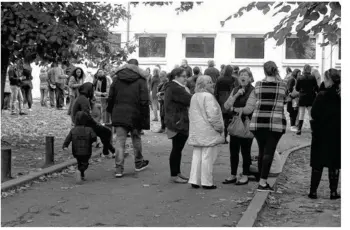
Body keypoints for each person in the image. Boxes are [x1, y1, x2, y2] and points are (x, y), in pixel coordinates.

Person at [107, 59, 150, 178]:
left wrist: (111, 111)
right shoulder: (141, 81)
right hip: (136, 114)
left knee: (120, 141)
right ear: (137, 67)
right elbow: (144, 100)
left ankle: (119, 169)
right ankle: (138, 162)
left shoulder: (116, 79)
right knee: (136, 138)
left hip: (119, 112)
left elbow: (110, 97)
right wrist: (144, 117)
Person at [250, 61, 288, 192]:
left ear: (264, 71)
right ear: (276, 70)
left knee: (261, 151)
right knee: (269, 151)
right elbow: (286, 99)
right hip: (275, 122)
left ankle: (261, 180)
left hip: (258, 121)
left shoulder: (258, 84)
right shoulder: (283, 85)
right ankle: (262, 182)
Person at [308, 69, 340, 200]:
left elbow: (314, 113)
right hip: (336, 132)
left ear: (331, 81)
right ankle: (333, 192)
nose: (324, 82)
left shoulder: (321, 95)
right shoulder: (340, 96)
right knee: (334, 163)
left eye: (326, 79)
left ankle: (313, 191)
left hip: (321, 133)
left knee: (318, 163)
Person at [188, 75, 225, 189]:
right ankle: (206, 182)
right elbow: (213, 115)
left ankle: (194, 179)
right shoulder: (208, 97)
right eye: (209, 82)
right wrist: (219, 128)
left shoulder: (194, 96)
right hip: (208, 130)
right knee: (208, 156)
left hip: (197, 130)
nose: (212, 84)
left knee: (197, 155)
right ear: (203, 84)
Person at [223, 68, 256, 185]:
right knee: (233, 151)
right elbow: (226, 106)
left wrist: (235, 109)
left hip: (247, 124)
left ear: (250, 78)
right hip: (235, 124)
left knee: (245, 152)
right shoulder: (235, 89)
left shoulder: (253, 91)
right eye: (241, 74)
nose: (242, 76)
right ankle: (233, 174)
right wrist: (236, 95)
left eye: (245, 75)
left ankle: (245, 175)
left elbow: (248, 109)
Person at [164, 67, 193, 183]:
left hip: (176, 120)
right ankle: (174, 175)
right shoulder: (176, 88)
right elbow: (189, 100)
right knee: (176, 149)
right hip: (178, 122)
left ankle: (177, 172)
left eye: (186, 76)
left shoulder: (174, 87)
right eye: (183, 76)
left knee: (177, 149)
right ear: (176, 76)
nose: (186, 79)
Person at [72, 82, 115, 157]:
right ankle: (107, 152)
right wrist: (96, 123)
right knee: (107, 132)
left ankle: (110, 151)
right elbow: (86, 116)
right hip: (84, 124)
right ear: (88, 90)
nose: (93, 92)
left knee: (104, 132)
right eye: (92, 90)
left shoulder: (82, 97)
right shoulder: (83, 99)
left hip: (81, 122)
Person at [63, 111, 97, 183]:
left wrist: (65, 146)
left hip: (76, 151)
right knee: (85, 164)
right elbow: (94, 137)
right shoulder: (89, 129)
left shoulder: (73, 130)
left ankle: (81, 175)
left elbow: (68, 139)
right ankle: (79, 171)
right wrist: (94, 142)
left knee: (79, 162)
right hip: (86, 151)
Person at [215, 65, 239, 144]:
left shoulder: (219, 79)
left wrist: (216, 100)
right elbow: (236, 89)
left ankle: (221, 136)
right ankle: (226, 137)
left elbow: (216, 91)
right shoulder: (233, 79)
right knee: (229, 119)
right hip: (229, 98)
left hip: (221, 100)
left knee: (221, 119)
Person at [295, 64, 319, 135]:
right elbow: (316, 88)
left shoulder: (300, 77)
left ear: (304, 69)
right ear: (309, 69)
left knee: (301, 114)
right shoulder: (312, 77)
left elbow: (297, 88)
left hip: (302, 97)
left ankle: (299, 130)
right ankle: (312, 130)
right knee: (310, 114)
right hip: (311, 97)